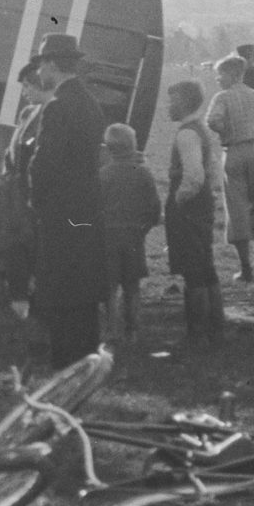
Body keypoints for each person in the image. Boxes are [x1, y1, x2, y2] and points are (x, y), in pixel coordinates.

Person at [24, 33, 108, 368]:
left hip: (60, 212)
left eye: (42, 63)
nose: (40, 71)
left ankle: (65, 365)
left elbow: (45, 165)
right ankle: (86, 361)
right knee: (84, 292)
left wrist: (36, 200)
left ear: (52, 65)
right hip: (87, 208)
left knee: (60, 290)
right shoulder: (89, 102)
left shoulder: (57, 106)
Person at [205, 53, 254, 281]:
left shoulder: (222, 97)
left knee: (236, 207)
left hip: (235, 152)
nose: (218, 79)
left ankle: (245, 266)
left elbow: (212, 121)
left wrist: (225, 130)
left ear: (232, 74)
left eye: (220, 74)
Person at [163, 79, 227, 343]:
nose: (168, 106)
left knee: (192, 270)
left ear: (185, 102)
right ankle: (216, 325)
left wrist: (178, 201)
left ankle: (197, 332)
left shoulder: (186, 134)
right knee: (205, 265)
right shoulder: (199, 128)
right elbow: (212, 171)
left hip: (188, 207)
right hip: (202, 205)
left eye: (172, 100)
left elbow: (194, 176)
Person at [97, 122, 160, 345]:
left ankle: (112, 331)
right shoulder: (142, 173)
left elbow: (94, 209)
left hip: (108, 237)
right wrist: (143, 229)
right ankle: (133, 331)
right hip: (134, 236)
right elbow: (154, 209)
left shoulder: (103, 175)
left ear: (108, 148)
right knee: (132, 285)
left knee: (109, 287)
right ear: (133, 146)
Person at [0, 59, 54, 313]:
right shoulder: (31, 114)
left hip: (29, 198)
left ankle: (30, 302)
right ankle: (21, 300)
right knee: (16, 246)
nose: (25, 93)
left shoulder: (48, 114)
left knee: (28, 248)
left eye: (28, 87)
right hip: (16, 196)